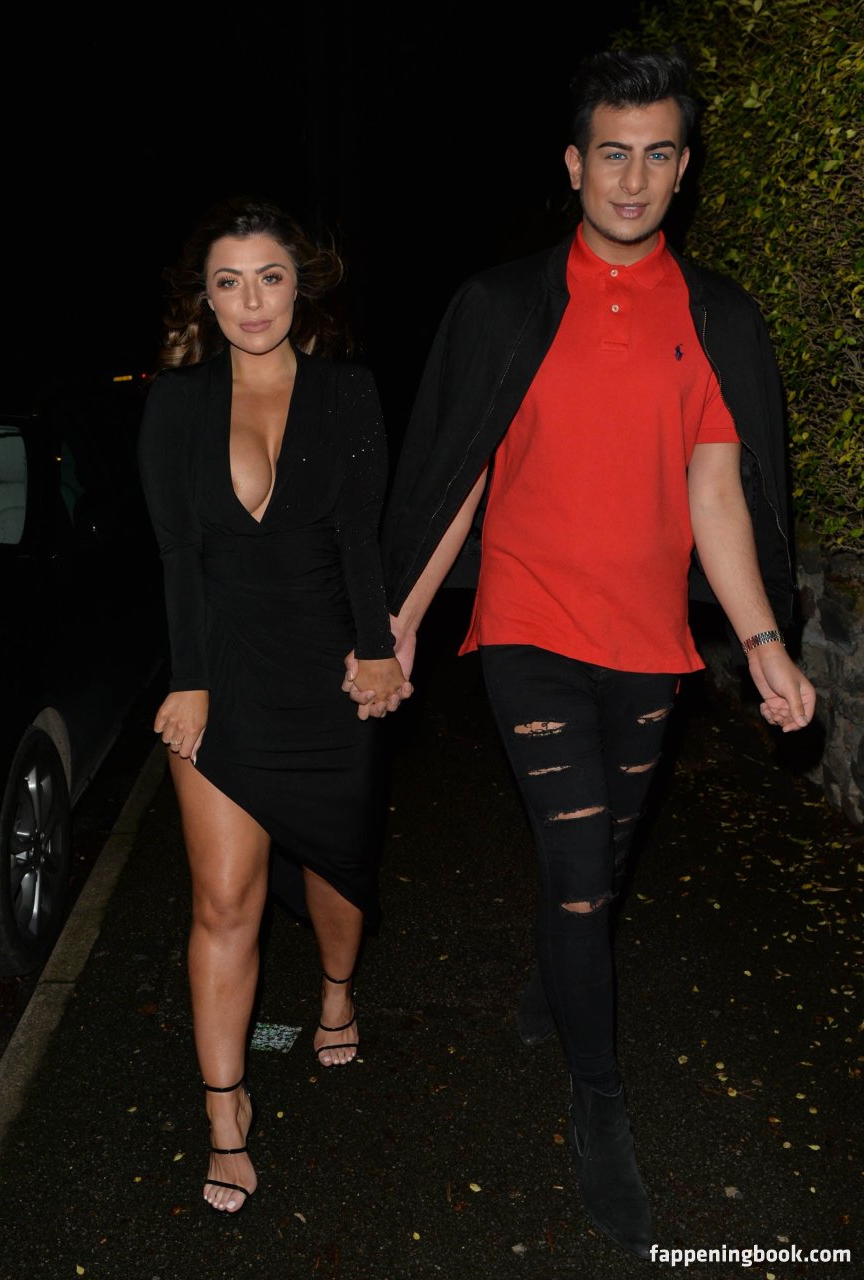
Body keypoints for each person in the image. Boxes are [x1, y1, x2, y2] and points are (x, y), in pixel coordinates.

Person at [345, 49, 816, 1259]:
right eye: (612, 152)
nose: (633, 177)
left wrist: (762, 641)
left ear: (683, 169)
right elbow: (457, 473)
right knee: (573, 866)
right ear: (572, 163)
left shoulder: (715, 318)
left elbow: (717, 493)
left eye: (657, 154)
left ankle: (552, 977)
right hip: (530, 626)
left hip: (647, 640)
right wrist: (396, 622)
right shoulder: (504, 305)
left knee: (603, 854)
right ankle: (599, 1104)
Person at [138, 197, 407, 1214]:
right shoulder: (176, 402)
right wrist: (188, 675)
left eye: (270, 278)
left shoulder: (347, 391)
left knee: (339, 873)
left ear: (303, 285)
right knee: (222, 899)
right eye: (229, 282)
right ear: (204, 300)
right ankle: (225, 1109)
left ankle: (336, 991)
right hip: (221, 674)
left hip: (326, 673)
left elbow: (360, 537)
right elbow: (176, 554)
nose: (251, 301)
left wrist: (376, 651)